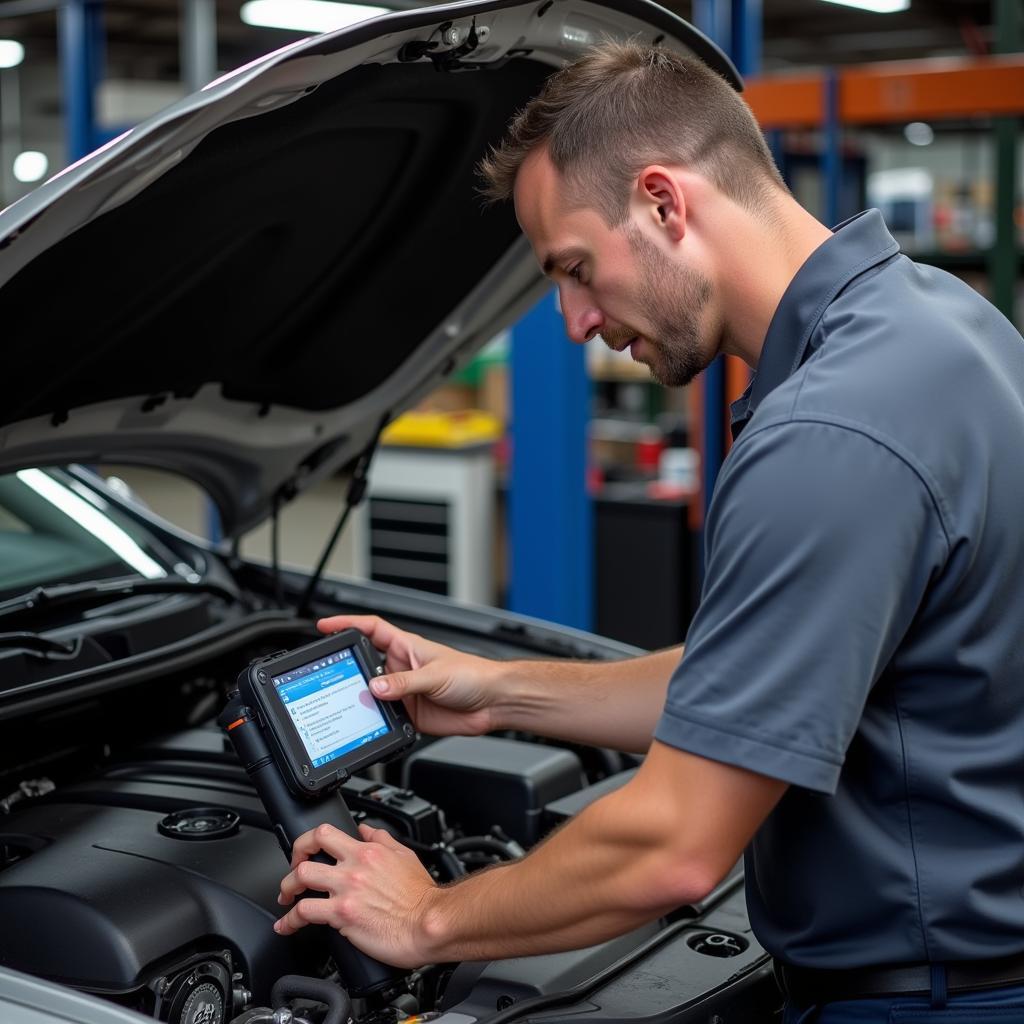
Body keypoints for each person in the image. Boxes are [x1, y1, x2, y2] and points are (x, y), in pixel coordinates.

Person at [273, 42, 1024, 1022]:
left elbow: (675, 843)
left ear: (664, 203)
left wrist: (427, 915)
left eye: (574, 269)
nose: (576, 321)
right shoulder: (940, 325)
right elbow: (766, 679)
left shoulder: (829, 436)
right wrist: (496, 691)